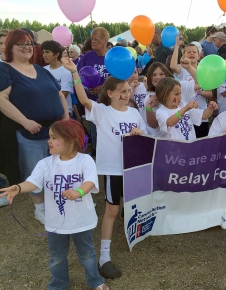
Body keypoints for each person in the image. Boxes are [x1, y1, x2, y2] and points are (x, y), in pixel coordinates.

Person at [62, 56, 147, 279]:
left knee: (133, 204)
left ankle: (134, 234)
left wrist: (139, 134)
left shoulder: (135, 113)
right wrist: (74, 73)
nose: (126, 95)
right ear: (110, 93)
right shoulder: (102, 111)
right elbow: (82, 98)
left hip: (132, 168)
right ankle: (104, 257)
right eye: (121, 91)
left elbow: (145, 135)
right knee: (111, 210)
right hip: (113, 169)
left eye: (128, 91)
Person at [0, 119, 108, 290]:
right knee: (57, 257)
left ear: (70, 139)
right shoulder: (45, 163)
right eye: (49, 137)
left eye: (53, 137)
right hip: (55, 223)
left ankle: (94, 281)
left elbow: (89, 182)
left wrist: (78, 192)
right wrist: (18, 188)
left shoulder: (85, 160)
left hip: (81, 220)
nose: (48, 141)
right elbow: (33, 182)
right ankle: (59, 283)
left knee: (87, 254)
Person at [0, 29, 69, 224]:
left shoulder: (41, 70)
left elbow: (58, 95)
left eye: (29, 44)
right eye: (21, 44)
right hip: (31, 133)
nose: (26, 48)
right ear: (10, 47)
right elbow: (1, 99)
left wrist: (65, 118)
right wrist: (25, 121)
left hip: (56, 132)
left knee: (59, 169)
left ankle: (61, 201)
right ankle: (40, 209)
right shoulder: (5, 69)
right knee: (35, 172)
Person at [77, 27, 111, 156]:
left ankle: (109, 152)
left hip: (110, 102)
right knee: (95, 129)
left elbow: (121, 79)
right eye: (92, 39)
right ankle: (98, 152)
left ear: (105, 41)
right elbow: (78, 76)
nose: (93, 42)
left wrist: (103, 87)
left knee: (109, 128)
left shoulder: (112, 57)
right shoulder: (87, 57)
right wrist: (87, 87)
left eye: (96, 39)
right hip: (92, 102)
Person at [145, 62, 199, 137]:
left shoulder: (178, 86)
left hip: (185, 139)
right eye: (154, 75)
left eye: (161, 74)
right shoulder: (149, 98)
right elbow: (154, 125)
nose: (158, 77)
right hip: (164, 141)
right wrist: (148, 108)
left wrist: (189, 67)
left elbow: (200, 83)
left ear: (167, 74)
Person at [41, 41, 74, 116]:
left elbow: (64, 94)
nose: (44, 55)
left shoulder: (66, 71)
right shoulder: (43, 70)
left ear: (56, 54)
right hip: (48, 111)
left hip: (63, 112)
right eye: (43, 52)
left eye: (47, 52)